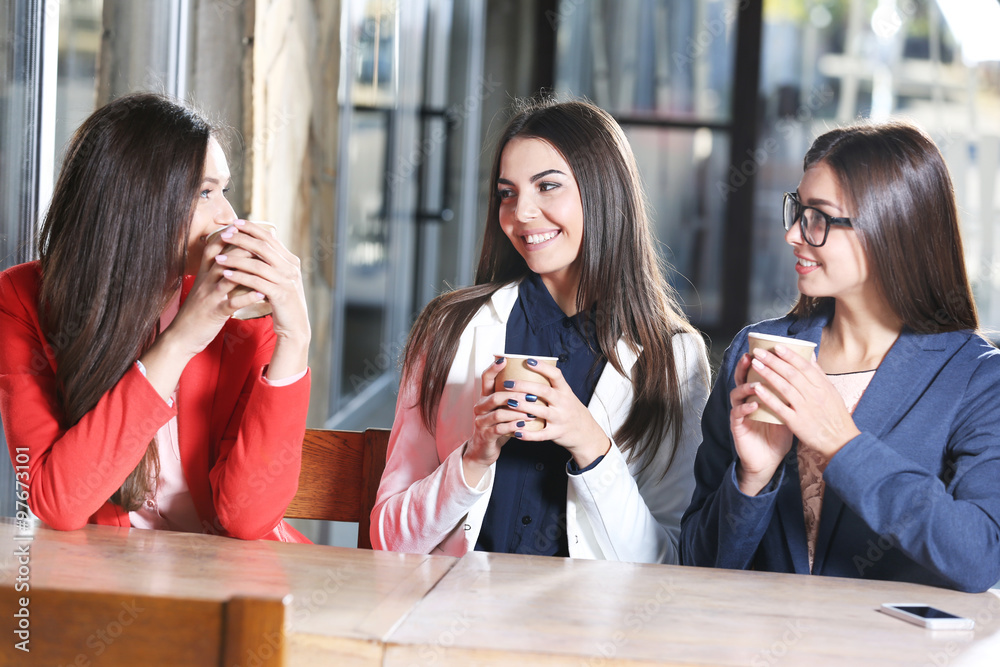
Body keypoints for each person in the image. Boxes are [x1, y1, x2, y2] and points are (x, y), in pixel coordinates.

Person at [371, 98, 710, 563]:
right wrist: (472, 458)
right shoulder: (448, 329)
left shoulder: (674, 358)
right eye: (507, 193)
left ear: (603, 193)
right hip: (457, 619)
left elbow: (668, 562)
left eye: (547, 186)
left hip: (589, 629)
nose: (521, 213)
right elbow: (388, 541)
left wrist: (590, 443)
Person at [680, 120, 1000, 592]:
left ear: (891, 227)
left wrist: (842, 443)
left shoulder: (976, 378)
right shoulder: (758, 354)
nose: (793, 234)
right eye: (798, 210)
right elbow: (694, 562)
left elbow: (978, 557)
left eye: (818, 217)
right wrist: (752, 479)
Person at [0, 93, 312, 541]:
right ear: (137, 203)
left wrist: (294, 337)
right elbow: (58, 503)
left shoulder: (242, 305)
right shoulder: (24, 297)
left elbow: (248, 519)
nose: (229, 216)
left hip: (234, 583)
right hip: (112, 582)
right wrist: (183, 339)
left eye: (224, 191)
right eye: (205, 193)